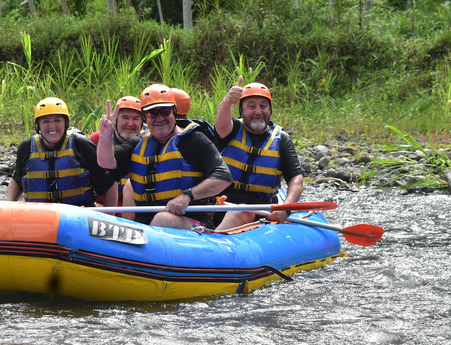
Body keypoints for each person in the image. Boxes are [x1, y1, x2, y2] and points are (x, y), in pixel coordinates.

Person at [97, 84, 232, 230]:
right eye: (152, 114)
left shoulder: (194, 140)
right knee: (130, 187)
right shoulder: (138, 143)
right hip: (146, 226)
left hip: (191, 221)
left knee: (163, 219)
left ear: (174, 112)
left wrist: (187, 196)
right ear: (145, 118)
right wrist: (106, 136)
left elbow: (223, 177)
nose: (159, 118)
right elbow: (107, 163)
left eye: (165, 111)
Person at [213, 77, 304, 230]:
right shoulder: (231, 129)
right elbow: (220, 123)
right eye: (251, 106)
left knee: (240, 211)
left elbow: (296, 181)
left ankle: (215, 242)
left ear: (270, 110)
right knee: (238, 210)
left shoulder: (281, 139)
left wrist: (285, 209)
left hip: (259, 212)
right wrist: (227, 101)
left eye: (263, 106)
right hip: (218, 206)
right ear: (241, 110)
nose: (258, 111)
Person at [7, 97, 118, 207]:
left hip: (78, 216)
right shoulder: (26, 147)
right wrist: (8, 207)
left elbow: (109, 184)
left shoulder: (80, 144)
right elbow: (17, 179)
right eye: (46, 121)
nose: (52, 126)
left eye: (57, 120)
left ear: (66, 123)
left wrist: (108, 216)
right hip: (39, 216)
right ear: (38, 126)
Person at [89, 96, 144, 210]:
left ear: (142, 122)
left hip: (136, 210)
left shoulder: (148, 142)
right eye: (125, 118)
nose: (130, 123)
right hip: (104, 210)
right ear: (116, 120)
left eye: (135, 119)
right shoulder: (97, 139)